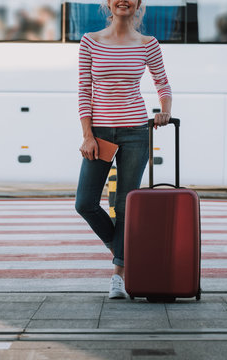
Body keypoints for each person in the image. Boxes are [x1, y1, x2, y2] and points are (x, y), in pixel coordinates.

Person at [75, 0, 172, 299]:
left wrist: (164, 111)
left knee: (125, 206)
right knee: (85, 202)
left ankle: (118, 275)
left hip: (135, 132)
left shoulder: (148, 44)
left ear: (138, 4)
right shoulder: (90, 41)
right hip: (100, 134)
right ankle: (121, 247)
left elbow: (163, 84)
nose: (124, 1)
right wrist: (87, 135)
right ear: (108, 3)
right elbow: (84, 90)